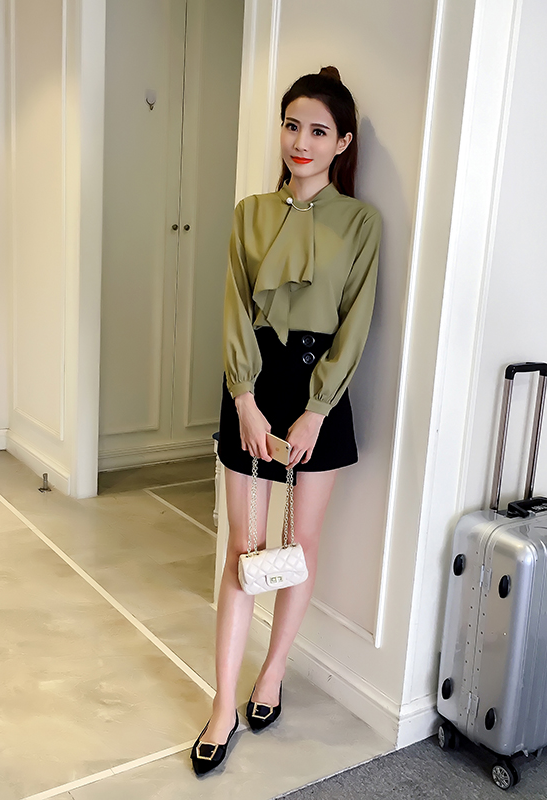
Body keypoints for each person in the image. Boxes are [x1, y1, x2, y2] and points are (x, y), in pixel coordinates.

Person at [191, 66, 382, 776]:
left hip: (317, 390)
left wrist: (315, 412)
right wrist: (244, 399)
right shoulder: (249, 213)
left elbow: (356, 324)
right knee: (244, 548)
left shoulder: (360, 223)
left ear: (342, 143)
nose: (301, 142)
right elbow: (234, 307)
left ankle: (271, 676)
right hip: (252, 382)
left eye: (318, 131)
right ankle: (222, 705)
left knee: (298, 542)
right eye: (292, 125)